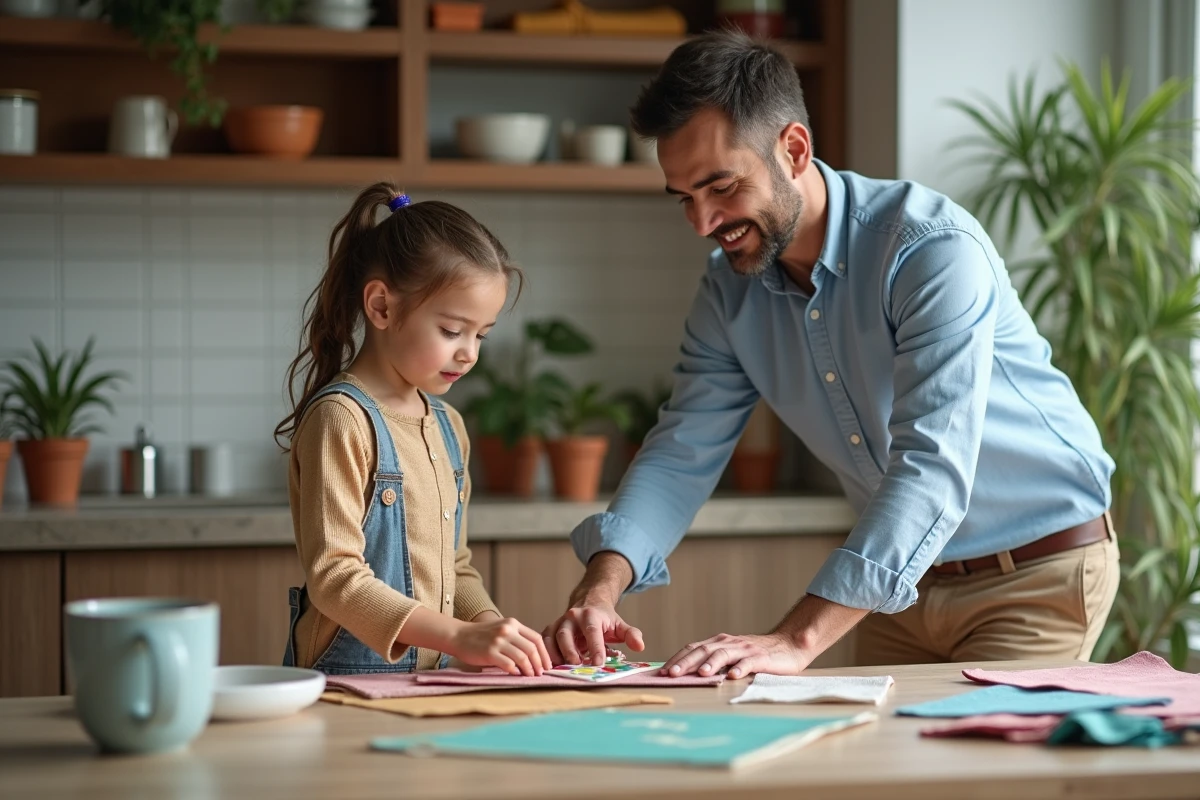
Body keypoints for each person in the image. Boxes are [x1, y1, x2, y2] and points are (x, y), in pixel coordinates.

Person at [545, 30, 1120, 678]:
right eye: (686, 198)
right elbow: (682, 449)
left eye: (721, 187)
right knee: (876, 770)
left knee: (974, 773)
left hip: (1034, 573)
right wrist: (599, 589)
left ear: (793, 149)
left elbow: (931, 466)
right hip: (901, 587)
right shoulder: (727, 290)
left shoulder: (929, 252)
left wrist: (794, 639)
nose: (702, 222)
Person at [276, 183, 551, 676]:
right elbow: (335, 578)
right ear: (381, 307)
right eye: (452, 331)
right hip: (344, 683)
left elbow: (457, 565)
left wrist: (492, 631)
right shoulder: (342, 419)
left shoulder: (449, 426)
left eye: (481, 335)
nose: (470, 353)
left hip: (431, 679)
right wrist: (461, 635)